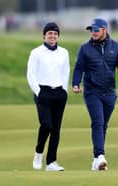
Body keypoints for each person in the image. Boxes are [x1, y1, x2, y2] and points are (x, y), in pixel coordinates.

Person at [72, 18, 118, 171]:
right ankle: (101, 155)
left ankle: (96, 160)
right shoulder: (85, 48)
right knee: (97, 121)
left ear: (104, 29)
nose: (93, 33)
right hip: (92, 92)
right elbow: (79, 67)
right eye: (91, 30)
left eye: (96, 30)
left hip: (109, 92)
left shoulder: (116, 46)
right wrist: (75, 83)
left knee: (103, 125)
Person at [26, 22, 70, 171]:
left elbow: (66, 72)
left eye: (55, 34)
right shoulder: (36, 52)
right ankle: (38, 153)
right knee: (46, 125)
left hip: (59, 92)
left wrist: (64, 90)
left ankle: (51, 162)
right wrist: (38, 92)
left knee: (56, 129)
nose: (52, 36)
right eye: (50, 33)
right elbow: (31, 74)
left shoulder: (64, 52)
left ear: (58, 36)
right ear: (44, 35)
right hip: (43, 91)